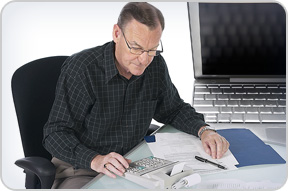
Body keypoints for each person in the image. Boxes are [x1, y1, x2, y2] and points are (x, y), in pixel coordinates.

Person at [43, 2, 230, 189]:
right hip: (82, 168)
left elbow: (173, 109)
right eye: (136, 48)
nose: (143, 60)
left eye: (152, 50)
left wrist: (204, 130)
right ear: (117, 34)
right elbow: (55, 133)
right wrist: (95, 159)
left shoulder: (155, 65)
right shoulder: (82, 70)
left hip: (134, 164)